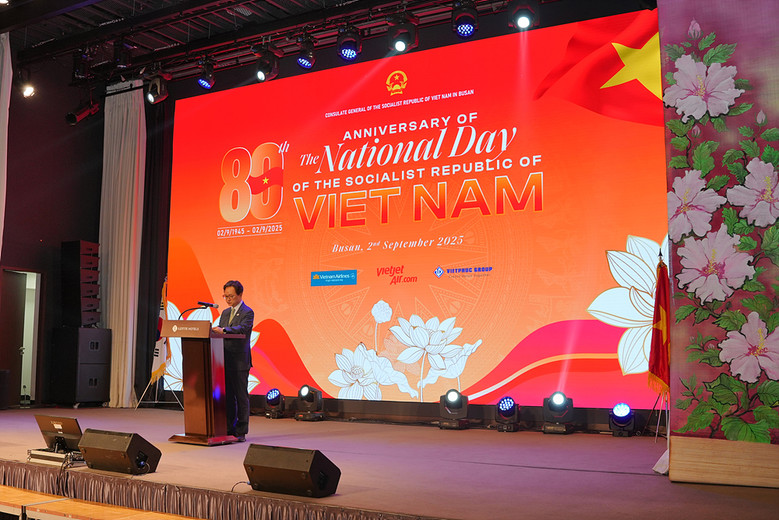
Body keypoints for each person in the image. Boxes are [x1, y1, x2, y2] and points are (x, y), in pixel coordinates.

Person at [212, 280, 254, 442]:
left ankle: (241, 430)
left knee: (241, 396)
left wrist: (223, 330)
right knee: (228, 396)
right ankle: (229, 428)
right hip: (225, 360)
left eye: (231, 296)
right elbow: (220, 331)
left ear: (240, 294)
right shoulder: (224, 313)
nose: (228, 299)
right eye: (226, 296)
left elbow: (242, 329)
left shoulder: (247, 312)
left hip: (239, 361)